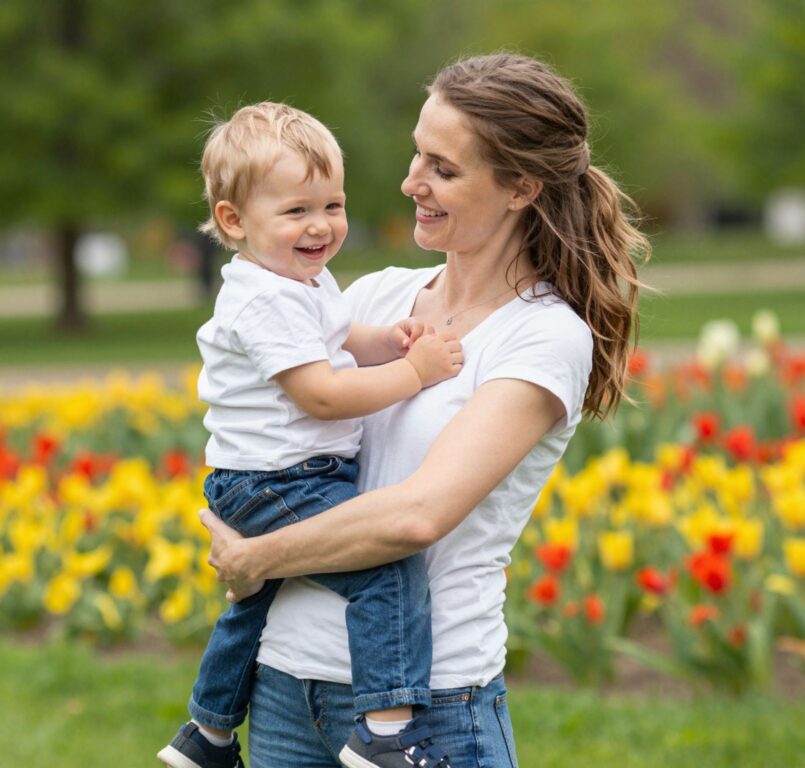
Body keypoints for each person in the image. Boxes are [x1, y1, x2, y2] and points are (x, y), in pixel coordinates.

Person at [200, 53, 650, 768]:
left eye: (442, 168)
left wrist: (257, 555)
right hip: (287, 687)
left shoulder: (539, 335)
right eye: (417, 155)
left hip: (430, 705)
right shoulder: (374, 298)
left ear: (520, 188)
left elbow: (418, 516)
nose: (412, 182)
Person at [158, 102, 463, 768]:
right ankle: (385, 732)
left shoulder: (297, 280)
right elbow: (322, 394)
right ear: (234, 220)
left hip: (267, 476)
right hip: (277, 478)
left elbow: (337, 335)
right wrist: (414, 371)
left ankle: (206, 735)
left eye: (333, 204)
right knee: (383, 570)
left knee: (256, 593)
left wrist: (387, 341)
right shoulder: (262, 298)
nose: (321, 226)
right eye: (297, 211)